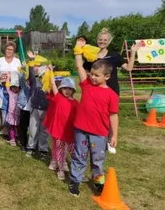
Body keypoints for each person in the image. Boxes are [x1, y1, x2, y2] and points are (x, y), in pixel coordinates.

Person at [69, 38, 119, 197]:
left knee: (97, 160)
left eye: (97, 75)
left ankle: (98, 183)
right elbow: (79, 66)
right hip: (81, 130)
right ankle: (75, 181)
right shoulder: (87, 85)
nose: (92, 77)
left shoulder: (112, 95)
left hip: (99, 133)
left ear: (107, 76)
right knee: (79, 155)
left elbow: (113, 116)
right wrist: (78, 50)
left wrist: (114, 134)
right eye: (92, 74)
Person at [81, 28, 140, 154]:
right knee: (96, 114)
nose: (102, 42)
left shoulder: (115, 55)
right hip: (95, 90)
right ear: (97, 40)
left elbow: (129, 68)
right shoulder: (91, 56)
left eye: (105, 40)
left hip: (111, 89)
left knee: (111, 115)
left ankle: (110, 140)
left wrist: (133, 52)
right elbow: (84, 70)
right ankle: (94, 137)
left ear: (109, 41)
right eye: (100, 39)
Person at [44, 66, 79, 181]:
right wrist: (50, 71)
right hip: (59, 132)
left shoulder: (75, 103)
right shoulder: (58, 97)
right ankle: (61, 170)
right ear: (60, 89)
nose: (67, 90)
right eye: (64, 88)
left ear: (73, 90)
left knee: (74, 152)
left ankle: (77, 171)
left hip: (70, 134)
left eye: (70, 88)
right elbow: (53, 84)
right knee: (59, 151)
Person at [25, 51, 50, 160]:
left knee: (44, 131)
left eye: (45, 74)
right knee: (33, 129)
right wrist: (31, 60)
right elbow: (31, 73)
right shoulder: (35, 81)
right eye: (41, 75)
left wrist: (51, 70)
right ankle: (31, 147)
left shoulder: (51, 83)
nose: (43, 76)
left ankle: (43, 149)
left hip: (46, 110)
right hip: (35, 108)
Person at [0, 41, 22, 129]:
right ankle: (4, 126)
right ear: (5, 50)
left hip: (14, 88)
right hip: (2, 87)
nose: (9, 51)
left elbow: (21, 73)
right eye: (8, 49)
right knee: (3, 106)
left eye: (11, 49)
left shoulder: (17, 61)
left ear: (14, 51)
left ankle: (13, 125)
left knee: (13, 105)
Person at [5, 72, 21, 147]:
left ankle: (17, 137)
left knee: (17, 127)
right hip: (11, 113)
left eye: (16, 87)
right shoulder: (10, 93)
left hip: (18, 114)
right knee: (12, 127)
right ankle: (12, 139)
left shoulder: (20, 94)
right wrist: (8, 77)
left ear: (19, 87)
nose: (14, 88)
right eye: (13, 87)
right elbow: (7, 86)